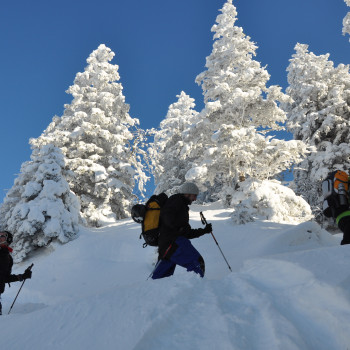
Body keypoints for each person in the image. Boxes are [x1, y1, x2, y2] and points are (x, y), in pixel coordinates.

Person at [152, 182, 212, 279]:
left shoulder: (181, 205)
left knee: (161, 279)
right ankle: (196, 290)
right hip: (174, 243)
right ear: (187, 193)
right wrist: (179, 228)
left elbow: (186, 233)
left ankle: (154, 293)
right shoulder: (176, 201)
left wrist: (204, 231)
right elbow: (167, 217)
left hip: (167, 246)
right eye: (194, 196)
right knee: (197, 263)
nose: (195, 199)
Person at [0, 231, 32, 315]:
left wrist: (22, 276)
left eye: (2, 236)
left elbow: (5, 278)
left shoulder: (8, 258)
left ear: (8, 239)